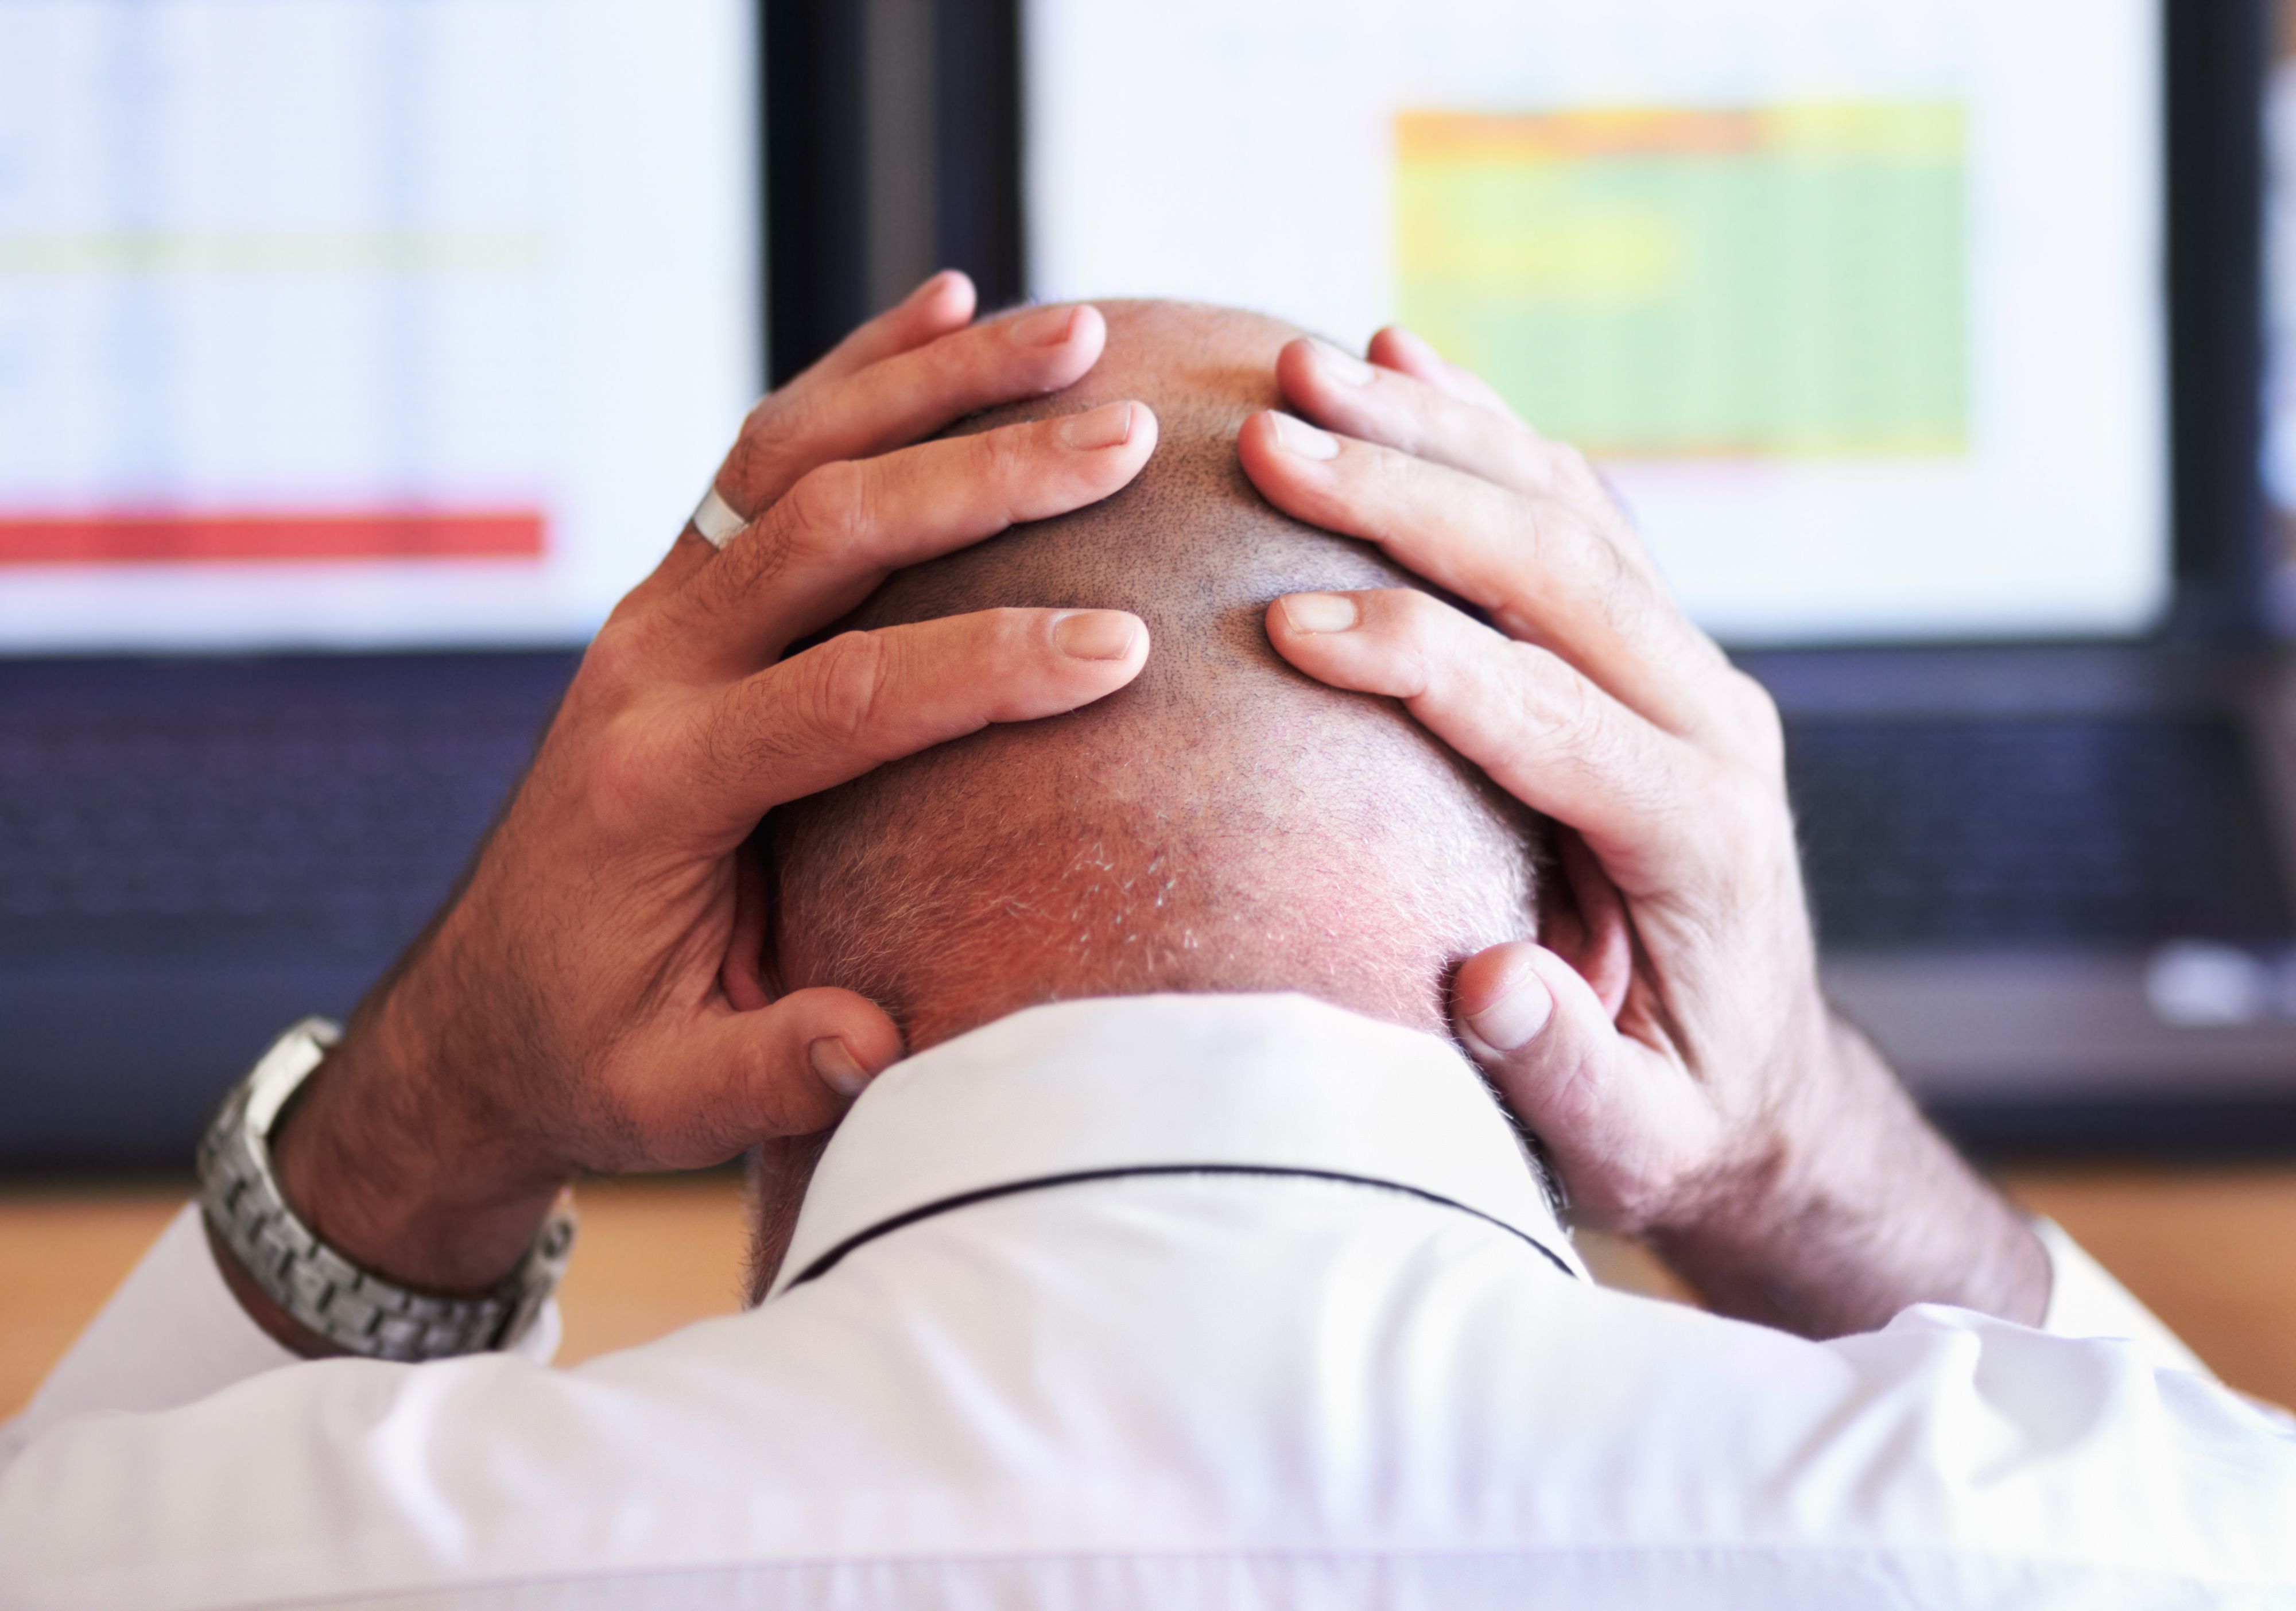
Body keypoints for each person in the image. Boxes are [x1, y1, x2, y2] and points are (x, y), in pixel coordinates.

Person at [1, 282, 2290, 1608]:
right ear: (1603, 937)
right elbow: (2173, 1471)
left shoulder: (239, 1557)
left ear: (731, 941)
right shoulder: (2122, 1546)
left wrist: (438, 1103)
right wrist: (1791, 1154)